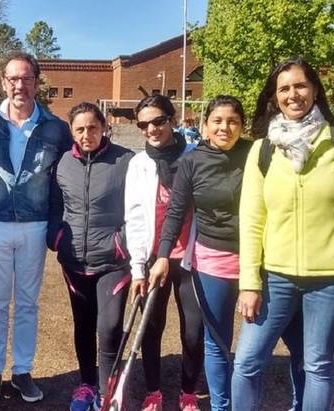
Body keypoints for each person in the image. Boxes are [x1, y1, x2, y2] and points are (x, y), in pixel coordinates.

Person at [232, 58, 334, 410]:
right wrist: (249, 282)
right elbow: (252, 217)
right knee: (246, 362)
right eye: (284, 88)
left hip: (332, 279)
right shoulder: (263, 149)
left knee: (317, 364)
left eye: (300, 85)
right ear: (275, 96)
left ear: (315, 89)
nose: (293, 94)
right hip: (275, 277)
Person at [147, 96, 303, 411]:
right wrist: (163, 254)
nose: (224, 127)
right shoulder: (192, 161)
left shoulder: (258, 154)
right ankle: (221, 406)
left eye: (232, 121)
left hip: (260, 261)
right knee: (217, 344)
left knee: (258, 348)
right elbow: (176, 213)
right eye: (217, 121)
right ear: (204, 127)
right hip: (212, 264)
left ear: (242, 126)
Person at [0, 51, 72, 404]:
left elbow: (61, 182)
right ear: (4, 82)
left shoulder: (56, 129)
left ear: (36, 81)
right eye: (13, 78)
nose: (20, 85)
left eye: (26, 78)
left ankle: (21, 371)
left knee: (29, 303)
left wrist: (55, 227)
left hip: (34, 227)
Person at [47, 102, 133, 411]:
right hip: (74, 262)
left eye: (92, 127)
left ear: (104, 126)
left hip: (113, 261)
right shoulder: (62, 164)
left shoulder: (125, 160)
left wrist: (122, 242)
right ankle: (86, 384)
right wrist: (56, 237)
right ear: (72, 131)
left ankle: (105, 392)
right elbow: (55, 205)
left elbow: (137, 208)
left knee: (109, 327)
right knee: (83, 325)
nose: (87, 134)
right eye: (80, 129)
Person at [124, 94, 203, 411]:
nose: (151, 129)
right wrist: (137, 269)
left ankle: (188, 392)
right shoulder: (138, 164)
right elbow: (134, 217)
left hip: (190, 259)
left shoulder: (196, 156)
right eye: (143, 124)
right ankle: (153, 391)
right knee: (152, 329)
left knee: (194, 333)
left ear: (172, 119)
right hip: (153, 260)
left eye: (158, 121)